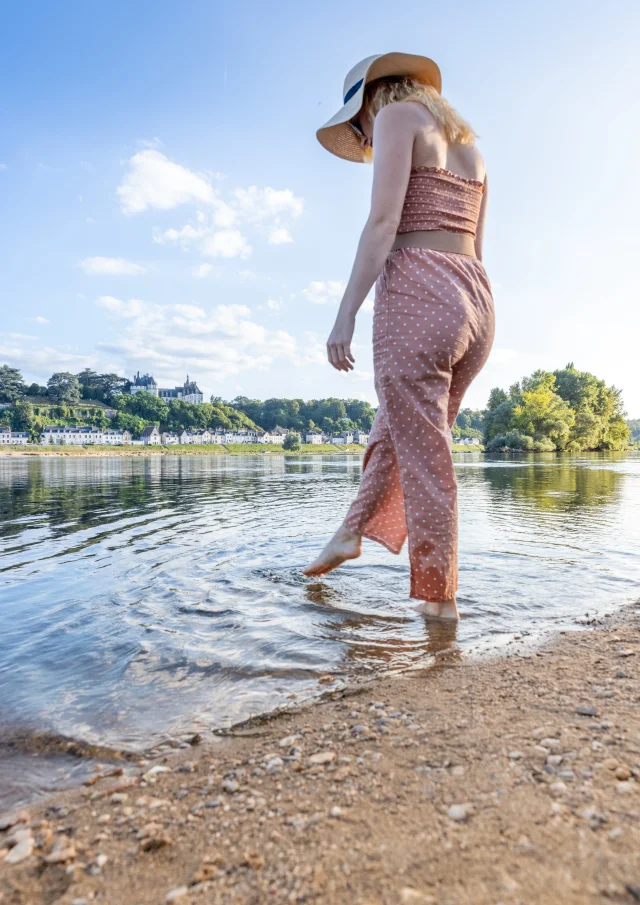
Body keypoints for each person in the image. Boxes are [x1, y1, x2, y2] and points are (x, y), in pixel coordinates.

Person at [303, 52, 495, 622]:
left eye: (356, 122)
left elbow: (383, 225)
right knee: (398, 431)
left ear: (369, 101)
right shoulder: (473, 150)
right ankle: (350, 531)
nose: (362, 135)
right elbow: (478, 249)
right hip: (477, 303)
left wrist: (345, 316)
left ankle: (440, 604)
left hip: (419, 294)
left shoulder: (395, 119)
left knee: (426, 460)